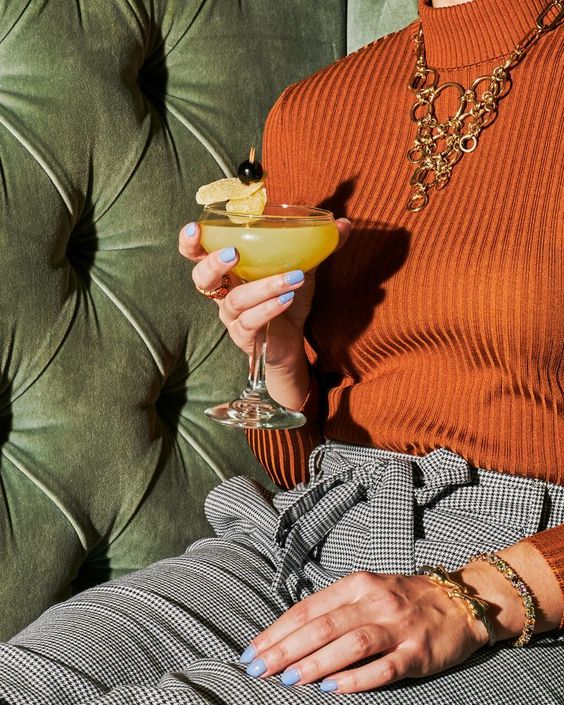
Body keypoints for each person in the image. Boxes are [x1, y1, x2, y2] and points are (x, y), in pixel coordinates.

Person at [0, 0, 562, 702]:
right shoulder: (313, 111)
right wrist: (285, 360)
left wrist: (480, 595)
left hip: (526, 584)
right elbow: (303, 465)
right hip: (312, 535)